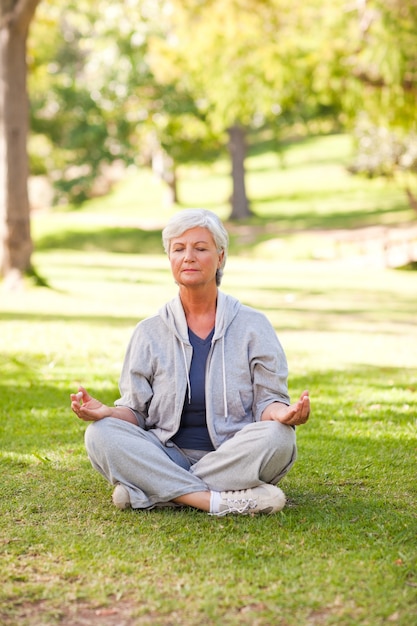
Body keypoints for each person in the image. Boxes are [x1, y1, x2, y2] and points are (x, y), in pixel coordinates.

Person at [70, 209, 310, 516]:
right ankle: (215, 500)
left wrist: (285, 413)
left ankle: (151, 490)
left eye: (200, 248)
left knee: (279, 437)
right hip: (165, 453)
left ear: (220, 257)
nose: (189, 257)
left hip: (232, 454)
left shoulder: (254, 326)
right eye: (179, 249)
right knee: (100, 433)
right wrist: (108, 413)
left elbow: (268, 402)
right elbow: (136, 411)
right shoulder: (149, 331)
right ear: (169, 258)